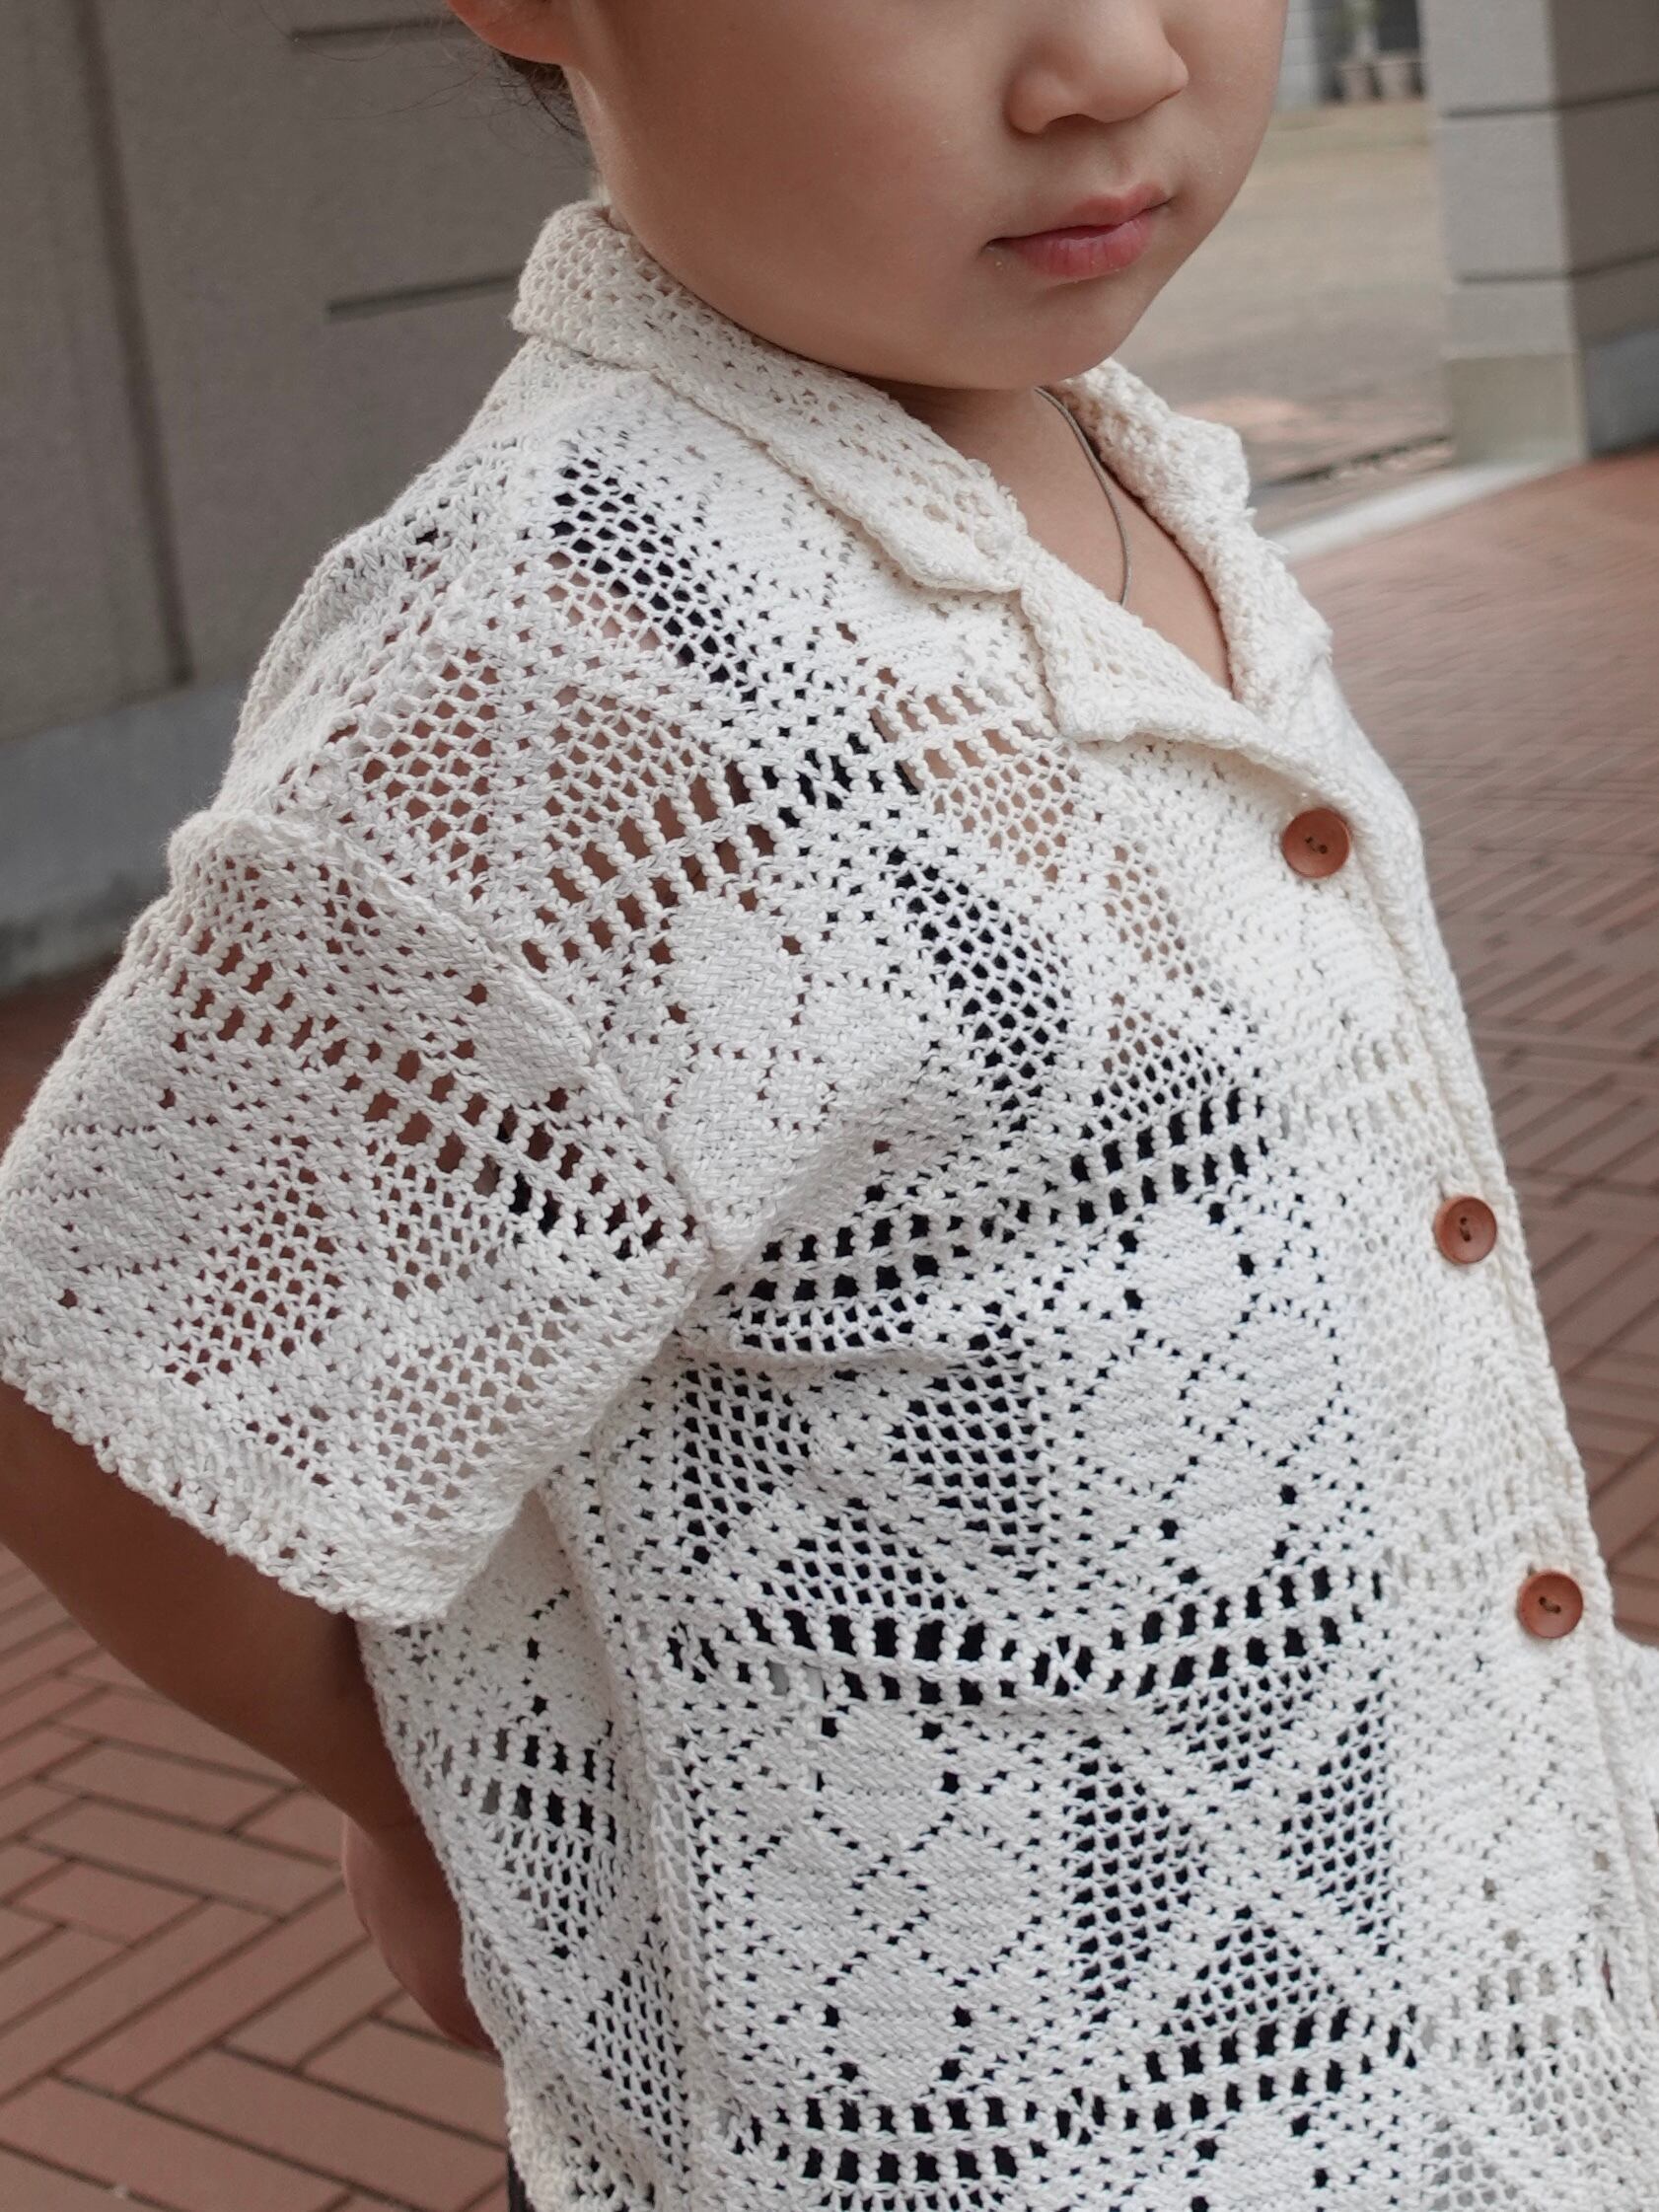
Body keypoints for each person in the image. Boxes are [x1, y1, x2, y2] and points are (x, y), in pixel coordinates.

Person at [2, 2, 1657, 2207]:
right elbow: (114, 1420)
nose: (1110, 61)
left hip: (1417, 1977)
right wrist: (453, 1802)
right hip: (999, 2121)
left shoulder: (1105, 466)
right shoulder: (573, 666)